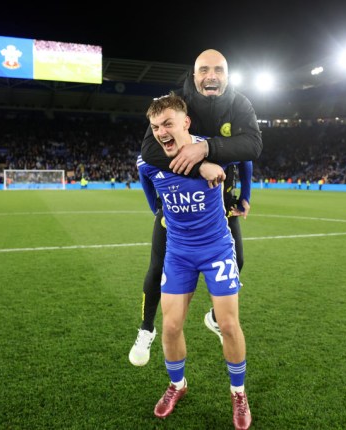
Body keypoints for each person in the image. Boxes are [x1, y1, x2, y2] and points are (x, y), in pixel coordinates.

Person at [129, 49, 261, 367]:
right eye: (203, 70)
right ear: (193, 74)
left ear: (227, 75)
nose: (211, 76)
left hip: (218, 198)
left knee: (237, 260)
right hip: (175, 203)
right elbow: (148, 150)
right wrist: (198, 166)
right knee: (156, 266)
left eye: (217, 70)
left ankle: (216, 318)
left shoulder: (240, 104)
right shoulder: (177, 101)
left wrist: (208, 151)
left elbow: (252, 147)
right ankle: (146, 329)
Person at [138, 93, 251, 429]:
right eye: (155, 126)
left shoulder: (213, 148)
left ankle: (238, 393)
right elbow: (148, 187)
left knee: (229, 325)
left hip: (216, 248)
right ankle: (177, 385)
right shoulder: (149, 162)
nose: (161, 132)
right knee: (171, 326)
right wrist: (159, 212)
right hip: (178, 252)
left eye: (167, 123)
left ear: (185, 123)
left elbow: (246, 157)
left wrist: (245, 195)